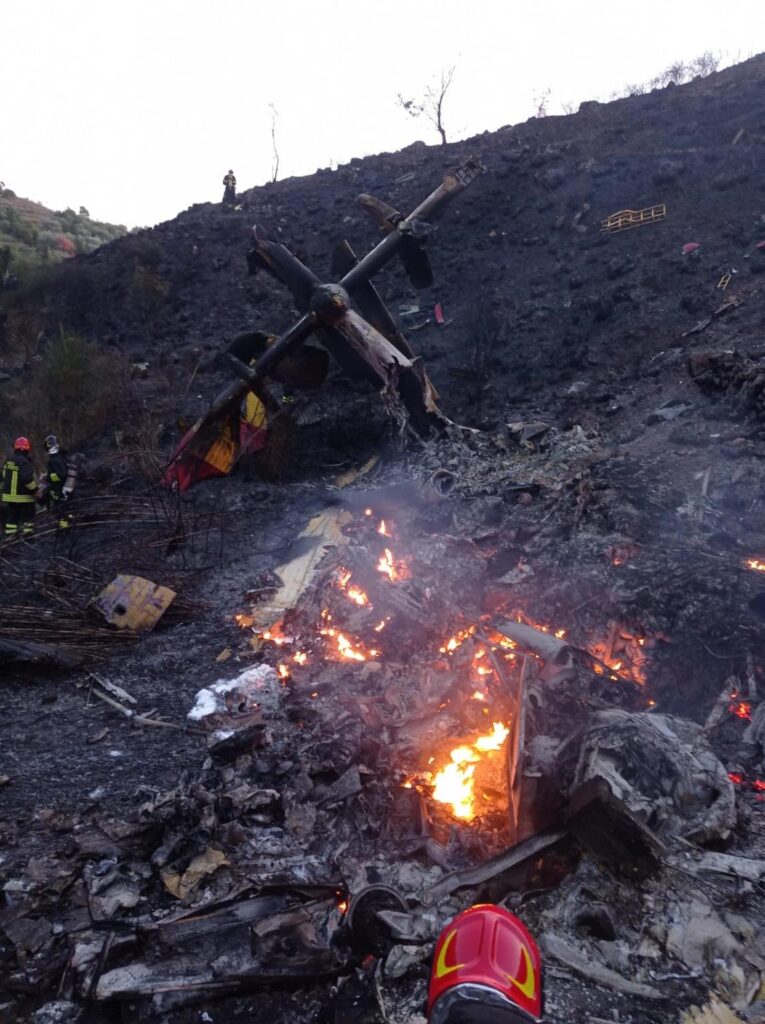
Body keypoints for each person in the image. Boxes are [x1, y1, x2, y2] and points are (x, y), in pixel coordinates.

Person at [2, 437, 38, 540]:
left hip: (9, 497)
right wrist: (35, 490)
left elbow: (2, 477)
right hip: (24, 497)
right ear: (27, 447)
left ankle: (10, 538)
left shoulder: (8, 461)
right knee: (28, 516)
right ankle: (29, 537)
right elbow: (26, 479)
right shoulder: (24, 461)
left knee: (12, 517)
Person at [42, 434, 76, 529]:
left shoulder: (54, 459)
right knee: (66, 511)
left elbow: (61, 475)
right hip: (66, 489)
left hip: (59, 490)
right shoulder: (62, 456)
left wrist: (48, 478)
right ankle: (67, 528)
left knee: (61, 513)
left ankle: (64, 531)